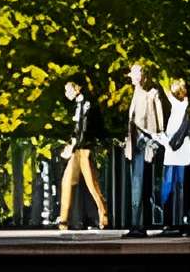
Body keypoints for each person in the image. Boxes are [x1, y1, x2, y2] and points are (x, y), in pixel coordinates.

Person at [56, 75, 110, 230]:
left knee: (91, 183)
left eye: (69, 88)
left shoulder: (87, 104)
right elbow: (77, 129)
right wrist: (72, 144)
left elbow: (85, 129)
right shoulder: (79, 105)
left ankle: (102, 210)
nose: (67, 92)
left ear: (77, 88)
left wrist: (73, 144)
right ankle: (64, 220)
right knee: (67, 181)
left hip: (84, 148)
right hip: (78, 148)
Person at [123, 61, 165, 236]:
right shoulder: (135, 93)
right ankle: (138, 224)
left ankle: (139, 225)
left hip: (145, 144)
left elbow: (159, 122)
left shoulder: (152, 94)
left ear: (142, 75)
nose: (131, 77)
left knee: (141, 186)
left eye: (134, 73)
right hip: (136, 145)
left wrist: (154, 143)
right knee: (137, 185)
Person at [155, 75, 190, 232]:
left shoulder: (183, 107)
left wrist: (167, 142)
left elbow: (181, 132)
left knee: (176, 188)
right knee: (171, 188)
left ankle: (179, 221)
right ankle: (174, 220)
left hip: (179, 153)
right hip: (174, 155)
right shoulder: (178, 106)